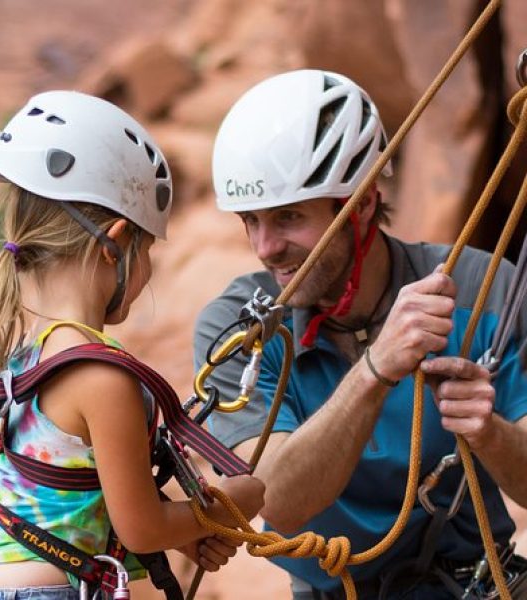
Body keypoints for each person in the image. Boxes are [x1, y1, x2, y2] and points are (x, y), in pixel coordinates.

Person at [194, 69, 527, 599]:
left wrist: (490, 432)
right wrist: (376, 370)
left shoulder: (477, 289)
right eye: (249, 220)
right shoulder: (241, 328)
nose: (264, 246)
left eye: (287, 217)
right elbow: (276, 498)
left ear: (363, 203)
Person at [0, 90, 265, 600]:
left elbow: (68, 483)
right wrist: (232, 503)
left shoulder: (26, 347)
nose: (146, 274)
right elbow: (142, 529)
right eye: (145, 252)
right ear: (113, 245)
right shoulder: (102, 376)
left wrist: (183, 532)